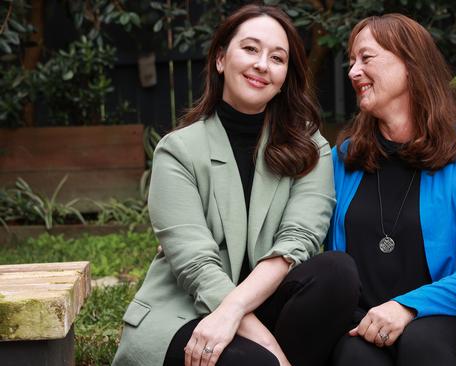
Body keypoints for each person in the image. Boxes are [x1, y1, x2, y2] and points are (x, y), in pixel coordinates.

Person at [112, 5, 359, 366]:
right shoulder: (178, 151)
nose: (262, 64)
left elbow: (298, 242)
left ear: (285, 76)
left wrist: (236, 314)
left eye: (277, 57)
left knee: (337, 272)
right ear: (220, 59)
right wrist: (271, 351)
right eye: (250, 49)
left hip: (263, 305)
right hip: (186, 312)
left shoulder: (310, 148)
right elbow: (196, 267)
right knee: (256, 362)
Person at [326, 14, 456, 366]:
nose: (353, 72)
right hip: (365, 325)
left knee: (422, 341)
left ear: (411, 64)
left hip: (453, 320)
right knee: (355, 356)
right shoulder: (344, 159)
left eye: (366, 58)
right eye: (351, 61)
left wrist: (406, 307)